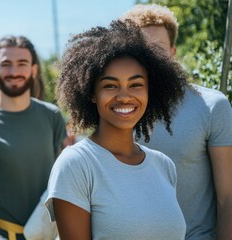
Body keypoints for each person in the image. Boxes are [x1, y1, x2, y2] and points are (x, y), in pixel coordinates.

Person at [46, 20, 189, 240]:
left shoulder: (164, 166)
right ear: (92, 93)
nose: (124, 96)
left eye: (136, 85)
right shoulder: (76, 165)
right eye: (110, 85)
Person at [121, 4, 232, 239]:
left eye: (158, 49)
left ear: (173, 52)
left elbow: (228, 197)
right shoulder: (115, 110)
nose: (150, 58)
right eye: (141, 50)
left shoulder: (212, 106)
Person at [0, 35, 67, 240]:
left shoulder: (51, 116)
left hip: (50, 235)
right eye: (6, 64)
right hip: (3, 235)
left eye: (22, 63)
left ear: (34, 69)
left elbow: (67, 178)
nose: (14, 72)